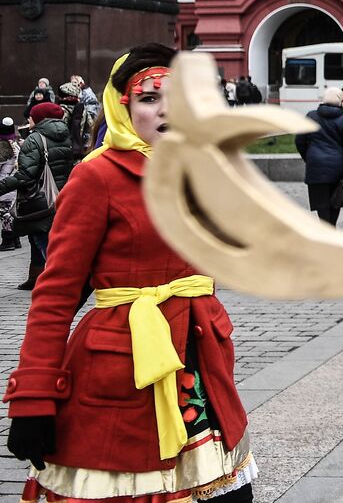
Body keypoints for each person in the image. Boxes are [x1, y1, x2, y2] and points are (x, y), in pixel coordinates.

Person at [3, 44, 257, 503]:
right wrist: (33, 398)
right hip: (123, 372)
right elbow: (56, 294)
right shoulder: (95, 177)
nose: (166, 111)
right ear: (121, 107)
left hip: (200, 369)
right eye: (149, 98)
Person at [0, 102, 76, 290]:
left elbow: (26, 174)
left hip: (39, 196)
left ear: (40, 118)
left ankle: (58, 281)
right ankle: (36, 276)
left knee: (42, 238)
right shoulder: (64, 135)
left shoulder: (35, 139)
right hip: (59, 193)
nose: (28, 119)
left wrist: (3, 186)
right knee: (38, 236)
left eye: (31, 116)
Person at [294, 87, 343, 225]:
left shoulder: (311, 116)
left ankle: (325, 229)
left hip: (316, 166)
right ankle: (331, 229)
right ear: (340, 101)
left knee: (321, 204)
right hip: (338, 168)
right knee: (335, 201)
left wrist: (308, 157)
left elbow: (299, 140)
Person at [0, 117, 22, 252]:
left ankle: (8, 240)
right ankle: (16, 239)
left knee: (4, 213)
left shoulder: (2, 147)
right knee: (9, 212)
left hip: (4, 185)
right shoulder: (15, 144)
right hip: (14, 184)